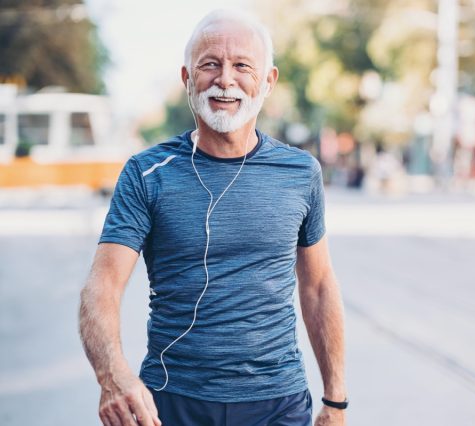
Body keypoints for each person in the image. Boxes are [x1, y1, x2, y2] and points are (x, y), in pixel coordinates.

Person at [79, 9, 347, 426]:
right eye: (210, 65)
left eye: (242, 66)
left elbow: (318, 286)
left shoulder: (301, 172)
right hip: (172, 401)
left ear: (268, 81)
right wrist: (112, 378)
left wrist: (336, 399)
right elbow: (103, 284)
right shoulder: (146, 173)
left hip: (278, 403)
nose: (225, 79)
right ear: (187, 79)